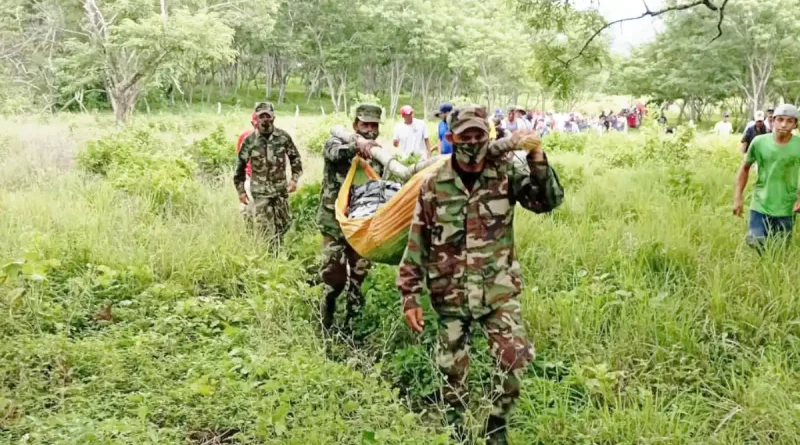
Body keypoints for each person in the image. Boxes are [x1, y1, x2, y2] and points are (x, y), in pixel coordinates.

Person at [397, 105, 564, 444]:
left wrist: (537, 156)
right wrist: (409, 295)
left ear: (488, 137)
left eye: (479, 135)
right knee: (451, 371)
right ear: (450, 138)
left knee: (514, 358)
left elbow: (546, 202)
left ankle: (496, 425)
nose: (472, 142)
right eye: (465, 136)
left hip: (497, 291)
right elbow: (418, 241)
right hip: (451, 293)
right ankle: (456, 427)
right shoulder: (433, 185)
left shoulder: (505, 174)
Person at [318, 104, 384, 331]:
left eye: (374, 125)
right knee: (333, 276)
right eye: (365, 124)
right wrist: (357, 145)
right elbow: (334, 154)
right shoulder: (336, 143)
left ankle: (353, 327)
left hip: (361, 227)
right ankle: (325, 318)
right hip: (334, 223)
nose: (370, 130)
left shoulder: (377, 154)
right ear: (355, 124)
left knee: (360, 276)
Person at [234, 102, 302, 249]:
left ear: (273, 118)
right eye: (261, 116)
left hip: (280, 191)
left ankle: (279, 250)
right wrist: (241, 191)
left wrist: (294, 180)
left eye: (267, 116)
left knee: (284, 224)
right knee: (265, 229)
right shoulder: (250, 141)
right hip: (260, 193)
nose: (265, 119)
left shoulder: (283, 137)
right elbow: (239, 169)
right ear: (256, 119)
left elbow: (295, 159)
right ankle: (271, 259)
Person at [733, 104, 800, 253]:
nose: (784, 124)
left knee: (779, 251)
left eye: (789, 121)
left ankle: (772, 274)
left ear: (795, 124)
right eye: (780, 119)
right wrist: (738, 197)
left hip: (786, 206)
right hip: (760, 203)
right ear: (772, 121)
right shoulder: (759, 142)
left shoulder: (798, 145)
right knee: (755, 241)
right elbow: (744, 169)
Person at [235, 112, 258, 215]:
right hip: (248, 177)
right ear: (252, 123)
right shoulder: (245, 136)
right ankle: (249, 231)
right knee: (247, 209)